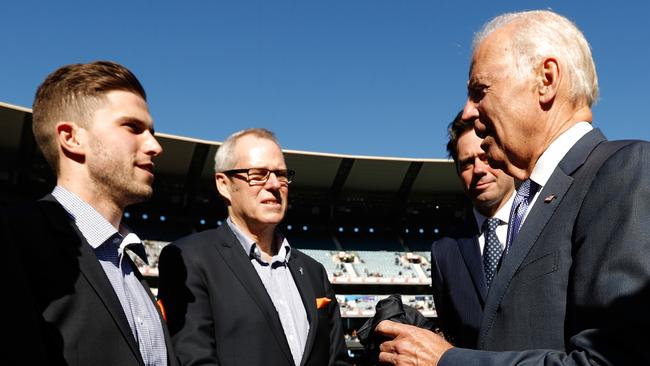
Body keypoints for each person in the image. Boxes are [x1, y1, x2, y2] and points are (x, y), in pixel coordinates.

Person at [376, 10, 650, 365]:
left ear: (546, 80)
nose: (467, 113)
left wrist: (446, 361)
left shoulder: (623, 171)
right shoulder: (532, 201)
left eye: (479, 92)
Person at [2, 61, 177, 365]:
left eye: (151, 131)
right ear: (72, 138)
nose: (155, 146)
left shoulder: (127, 267)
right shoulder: (13, 239)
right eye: (133, 127)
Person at [157, 128, 349, 366]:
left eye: (281, 174)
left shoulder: (314, 272)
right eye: (258, 175)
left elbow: (337, 359)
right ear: (224, 184)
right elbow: (194, 360)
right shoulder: (189, 259)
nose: (274, 184)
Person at [430, 111, 514, 348]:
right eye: (467, 162)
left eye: (485, 156)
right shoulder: (444, 251)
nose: (478, 169)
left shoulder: (544, 223)